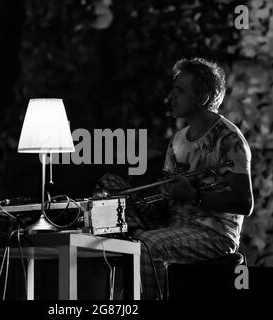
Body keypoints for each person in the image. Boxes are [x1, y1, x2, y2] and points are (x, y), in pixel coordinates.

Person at [95, 57, 254, 300]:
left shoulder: (229, 139)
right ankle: (133, 235)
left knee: (147, 244)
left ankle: (136, 241)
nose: (171, 95)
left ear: (201, 97)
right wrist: (151, 198)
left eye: (180, 90)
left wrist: (195, 196)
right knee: (110, 184)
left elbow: (245, 204)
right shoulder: (179, 138)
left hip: (213, 235)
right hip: (175, 223)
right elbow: (168, 197)